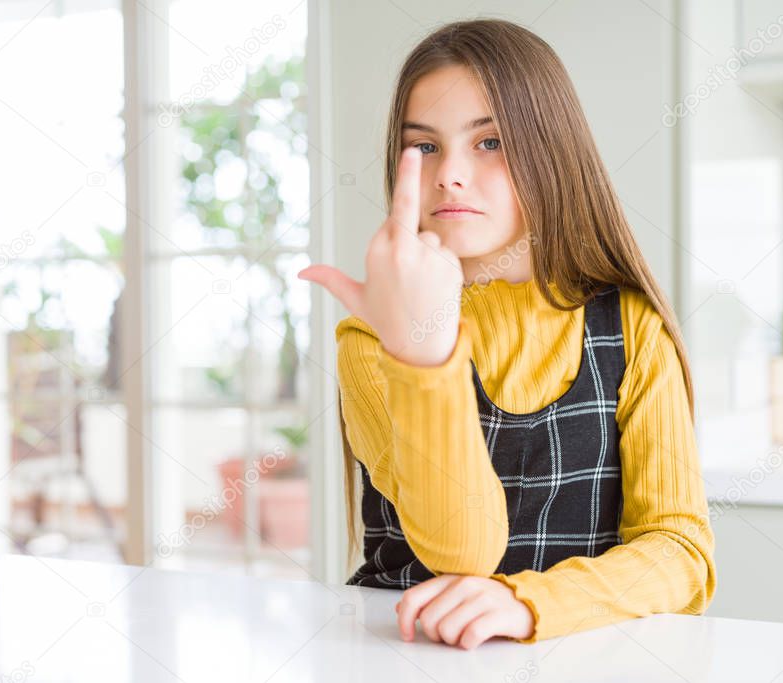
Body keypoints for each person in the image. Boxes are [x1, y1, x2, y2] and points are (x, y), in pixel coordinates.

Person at [298, 18, 716, 650]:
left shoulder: (632, 326)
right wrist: (423, 347)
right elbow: (462, 551)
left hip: (580, 657)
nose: (450, 175)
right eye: (425, 146)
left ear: (551, 149)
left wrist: (529, 603)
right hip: (406, 658)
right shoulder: (372, 339)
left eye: (489, 142)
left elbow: (680, 552)